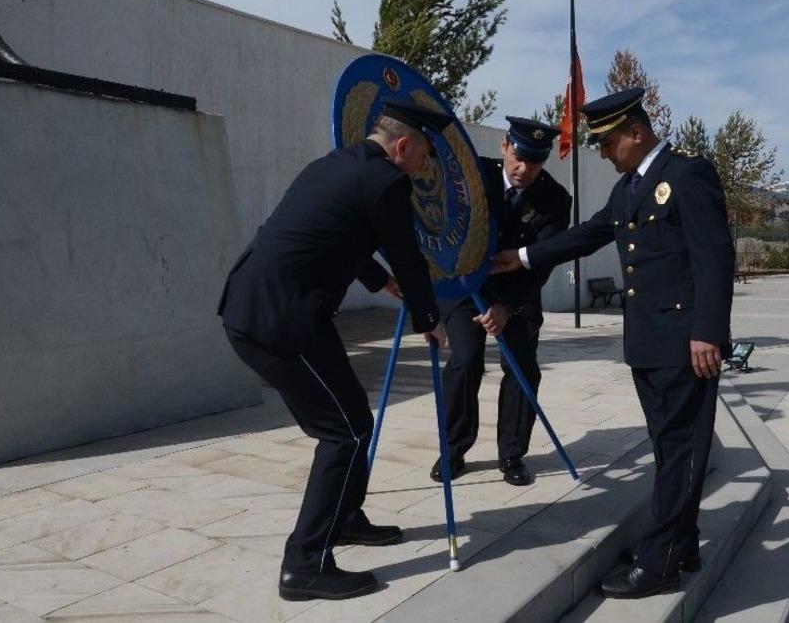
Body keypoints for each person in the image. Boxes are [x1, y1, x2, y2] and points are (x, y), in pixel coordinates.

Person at [491, 87, 735, 598]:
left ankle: (662, 560)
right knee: (672, 449)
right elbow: (589, 233)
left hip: (687, 343)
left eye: (606, 142)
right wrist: (526, 256)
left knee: (679, 449)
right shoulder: (628, 190)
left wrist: (708, 331)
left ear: (635, 132)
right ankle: (680, 543)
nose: (601, 152)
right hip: (647, 342)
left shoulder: (687, 175)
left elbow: (715, 259)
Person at [218, 98, 449, 602]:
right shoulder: (388, 182)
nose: (426, 165)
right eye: (426, 154)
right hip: (280, 320)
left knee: (353, 421)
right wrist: (429, 320)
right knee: (343, 433)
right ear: (403, 146)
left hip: (261, 305)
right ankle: (305, 563)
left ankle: (344, 517)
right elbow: (409, 256)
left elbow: (342, 230)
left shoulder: (337, 164)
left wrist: (379, 281)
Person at [429, 116, 571, 486]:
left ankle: (511, 454)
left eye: (536, 162)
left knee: (523, 370)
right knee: (464, 362)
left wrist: (507, 306)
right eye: (519, 158)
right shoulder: (472, 175)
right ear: (504, 146)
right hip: (465, 287)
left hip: (518, 291)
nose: (525, 169)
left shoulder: (555, 200)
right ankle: (453, 449)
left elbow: (543, 261)